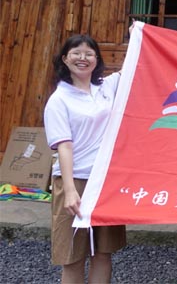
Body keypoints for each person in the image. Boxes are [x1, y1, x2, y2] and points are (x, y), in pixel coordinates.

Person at [44, 33, 128, 283]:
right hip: (76, 181)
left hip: (105, 182)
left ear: (97, 59)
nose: (83, 58)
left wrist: (137, 35)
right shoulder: (59, 100)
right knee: (72, 256)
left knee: (103, 252)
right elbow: (64, 147)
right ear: (65, 59)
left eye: (89, 53)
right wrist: (70, 190)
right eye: (76, 53)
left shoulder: (105, 88)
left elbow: (131, 68)